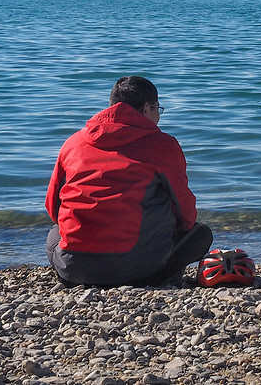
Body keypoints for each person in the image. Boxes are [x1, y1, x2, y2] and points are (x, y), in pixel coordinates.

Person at [45, 75, 213, 287]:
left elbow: (53, 208)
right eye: (158, 110)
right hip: (140, 270)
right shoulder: (164, 145)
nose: (159, 118)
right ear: (146, 108)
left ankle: (82, 271)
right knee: (200, 235)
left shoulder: (73, 143)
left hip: (75, 267)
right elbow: (186, 215)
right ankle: (162, 275)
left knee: (54, 234)